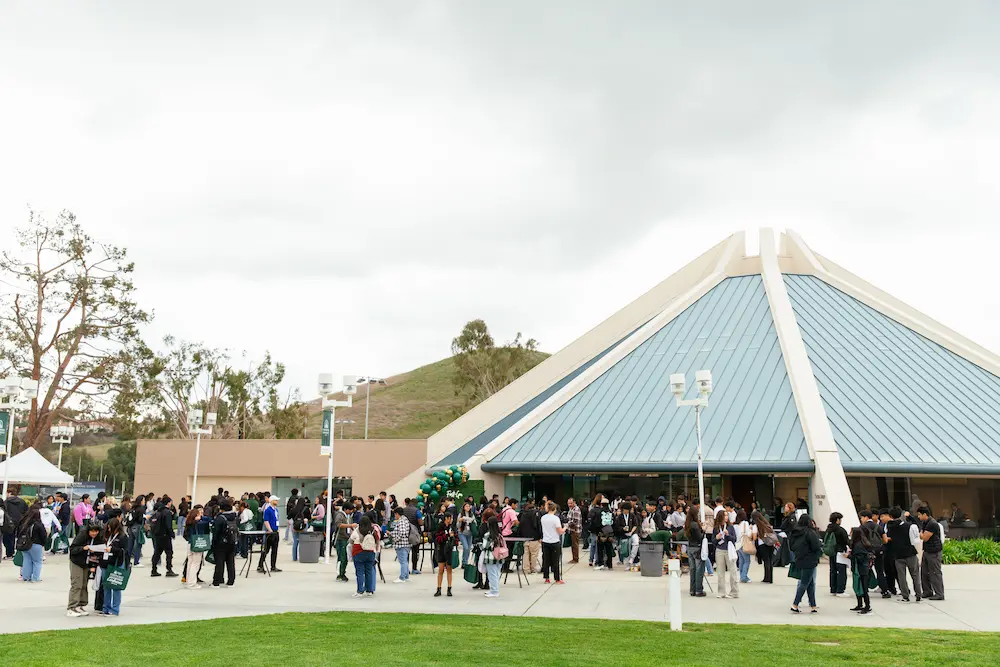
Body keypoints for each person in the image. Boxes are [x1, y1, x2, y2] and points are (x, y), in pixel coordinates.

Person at [66, 521, 104, 617]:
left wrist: (93, 566)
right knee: (76, 584)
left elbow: (99, 553)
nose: (94, 533)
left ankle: (80, 605)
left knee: (84, 584)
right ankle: (71, 607)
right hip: (77, 562)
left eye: (96, 531)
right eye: (92, 531)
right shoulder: (82, 535)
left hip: (88, 564)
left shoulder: (98, 538)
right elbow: (73, 549)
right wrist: (84, 548)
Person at [885, 506, 922, 603]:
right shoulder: (908, 526)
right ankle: (918, 595)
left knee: (901, 576)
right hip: (910, 553)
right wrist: (909, 517)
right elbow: (917, 527)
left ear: (890, 516)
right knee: (915, 575)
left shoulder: (890, 527)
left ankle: (905, 596)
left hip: (898, 554)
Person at [789, 513, 822, 614]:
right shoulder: (810, 532)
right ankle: (795, 604)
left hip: (799, 559)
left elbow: (791, 546)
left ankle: (813, 605)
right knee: (804, 583)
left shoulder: (794, 532)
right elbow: (816, 546)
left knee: (809, 583)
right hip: (810, 559)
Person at [100, 518, 128, 616]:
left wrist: (112, 549)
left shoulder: (123, 537)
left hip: (117, 563)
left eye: (110, 527)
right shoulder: (108, 535)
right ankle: (106, 608)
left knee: (115, 586)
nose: (108, 529)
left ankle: (115, 609)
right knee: (106, 586)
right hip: (105, 563)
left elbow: (124, 551)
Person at [917, 506, 945, 600]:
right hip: (927, 550)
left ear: (925, 514)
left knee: (934, 573)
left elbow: (924, 537)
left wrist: (921, 534)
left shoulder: (932, 523)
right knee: (924, 572)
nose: (918, 517)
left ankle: (939, 593)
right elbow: (922, 534)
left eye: (919, 515)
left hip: (934, 552)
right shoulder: (925, 523)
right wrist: (922, 533)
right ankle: (927, 591)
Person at [349, 515, 379, 598]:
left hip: (358, 553)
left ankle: (360, 591)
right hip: (370, 553)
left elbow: (350, 541)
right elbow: (377, 541)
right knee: (369, 571)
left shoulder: (357, 531)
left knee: (360, 572)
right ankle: (369, 590)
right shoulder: (373, 530)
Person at [211, 500, 239, 587]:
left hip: (221, 543)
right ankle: (231, 581)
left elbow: (216, 532)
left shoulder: (220, 518)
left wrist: (213, 543)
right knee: (230, 563)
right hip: (232, 542)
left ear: (222, 509)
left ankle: (217, 582)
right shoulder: (235, 517)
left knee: (220, 562)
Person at [150, 497, 178, 578]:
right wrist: (172, 534)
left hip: (157, 535)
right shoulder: (167, 512)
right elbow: (168, 525)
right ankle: (169, 569)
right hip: (165, 535)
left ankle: (154, 569)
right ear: (168, 503)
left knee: (157, 553)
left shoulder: (158, 511)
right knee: (169, 553)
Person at [16, 507, 46, 582]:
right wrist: (43, 543)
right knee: (37, 561)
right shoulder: (39, 524)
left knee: (26, 560)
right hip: (36, 544)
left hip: (25, 545)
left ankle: (26, 577)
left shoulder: (25, 524)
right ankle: (35, 578)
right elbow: (43, 536)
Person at [182, 506, 209, 588]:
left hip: (190, 543)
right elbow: (209, 520)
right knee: (195, 564)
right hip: (197, 543)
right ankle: (192, 583)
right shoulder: (199, 524)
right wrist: (201, 517)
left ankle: (188, 581)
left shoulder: (189, 522)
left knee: (190, 563)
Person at [713, 511, 738, 598]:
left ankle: (734, 592)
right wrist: (716, 538)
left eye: (727, 515)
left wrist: (727, 535)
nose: (726, 517)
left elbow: (734, 539)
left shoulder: (731, 527)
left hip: (729, 550)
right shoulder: (716, 528)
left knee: (733, 571)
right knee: (720, 572)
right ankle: (721, 592)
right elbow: (713, 541)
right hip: (719, 550)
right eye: (725, 515)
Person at [849, 527, 873, 615]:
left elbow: (860, 557)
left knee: (863, 588)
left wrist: (849, 556)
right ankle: (860, 604)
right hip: (861, 568)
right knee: (859, 587)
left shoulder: (858, 545)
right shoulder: (860, 543)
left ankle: (867, 606)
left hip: (861, 569)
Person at [540, 501, 566, 585]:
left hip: (545, 541)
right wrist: (565, 527)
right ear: (554, 509)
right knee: (555, 561)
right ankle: (557, 578)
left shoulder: (543, 518)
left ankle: (546, 578)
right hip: (554, 541)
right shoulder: (555, 519)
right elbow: (560, 531)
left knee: (546, 560)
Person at [433, 512, 458, 597]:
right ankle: (439, 588)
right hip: (441, 550)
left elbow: (456, 539)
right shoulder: (440, 527)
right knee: (441, 570)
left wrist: (453, 538)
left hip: (450, 550)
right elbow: (437, 539)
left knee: (449, 569)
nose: (451, 520)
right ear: (446, 519)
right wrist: (446, 535)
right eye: (449, 518)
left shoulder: (453, 527)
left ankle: (449, 588)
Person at [825, 512, 849, 596]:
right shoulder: (840, 530)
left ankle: (833, 589)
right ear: (838, 520)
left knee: (833, 570)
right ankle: (840, 590)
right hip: (840, 552)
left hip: (831, 552)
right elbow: (846, 541)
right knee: (841, 571)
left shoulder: (828, 529)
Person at [481, 516, 505, 598]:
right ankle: (494, 589)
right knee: (496, 574)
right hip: (500, 556)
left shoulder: (488, 535)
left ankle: (494, 591)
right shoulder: (499, 534)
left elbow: (484, 546)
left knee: (492, 574)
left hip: (490, 557)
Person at [686, 507, 706, 597]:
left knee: (692, 569)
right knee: (699, 569)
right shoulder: (695, 524)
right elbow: (700, 537)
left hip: (690, 547)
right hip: (697, 548)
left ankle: (692, 589)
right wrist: (703, 530)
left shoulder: (688, 524)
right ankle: (698, 590)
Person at [752, 511, 777, 584]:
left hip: (762, 544)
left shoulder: (756, 526)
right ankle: (770, 578)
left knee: (766, 561)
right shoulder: (767, 524)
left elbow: (754, 537)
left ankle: (767, 578)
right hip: (770, 544)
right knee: (770, 560)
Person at [258, 496, 282, 573]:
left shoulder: (276, 510)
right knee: (266, 549)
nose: (277, 501)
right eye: (275, 500)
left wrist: (277, 528)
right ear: (272, 501)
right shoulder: (268, 510)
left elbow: (277, 519)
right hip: (270, 532)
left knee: (275, 550)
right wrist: (270, 530)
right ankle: (260, 565)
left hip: (276, 531)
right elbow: (266, 521)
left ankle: (273, 566)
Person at [615, 500, 640, 571]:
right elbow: (617, 527)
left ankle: (632, 558)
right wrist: (623, 529)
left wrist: (632, 531)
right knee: (626, 549)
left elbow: (635, 525)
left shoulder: (632, 515)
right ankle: (628, 564)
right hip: (624, 534)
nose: (626, 511)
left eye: (627, 510)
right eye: (625, 510)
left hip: (632, 533)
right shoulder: (619, 517)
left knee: (636, 543)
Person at [518, 500, 542, 574]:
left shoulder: (523, 515)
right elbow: (539, 526)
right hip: (534, 538)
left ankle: (526, 569)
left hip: (525, 538)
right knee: (534, 554)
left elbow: (520, 526)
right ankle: (533, 568)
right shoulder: (536, 514)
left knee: (526, 554)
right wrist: (541, 536)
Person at [390, 506, 412, 583]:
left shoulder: (401, 521)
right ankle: (405, 576)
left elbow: (402, 532)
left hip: (401, 544)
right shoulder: (405, 520)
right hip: (405, 544)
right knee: (404, 561)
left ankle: (402, 577)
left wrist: (395, 539)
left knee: (403, 561)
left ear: (397, 514)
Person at [333, 500, 353, 582]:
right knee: (342, 557)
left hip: (346, 538)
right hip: (341, 539)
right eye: (350, 510)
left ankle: (342, 573)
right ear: (345, 509)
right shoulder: (340, 515)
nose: (351, 511)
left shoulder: (348, 516)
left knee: (345, 557)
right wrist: (350, 525)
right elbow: (338, 524)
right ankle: (340, 574)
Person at [735, 509, 756, 584]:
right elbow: (748, 533)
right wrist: (750, 528)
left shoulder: (736, 525)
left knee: (741, 561)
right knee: (747, 561)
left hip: (738, 545)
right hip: (744, 544)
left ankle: (742, 576)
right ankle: (744, 577)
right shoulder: (745, 523)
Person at [594, 497, 615, 570]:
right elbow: (613, 522)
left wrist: (597, 533)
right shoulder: (611, 513)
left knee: (600, 549)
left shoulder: (599, 512)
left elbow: (597, 523)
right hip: (609, 533)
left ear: (601, 504)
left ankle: (601, 563)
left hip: (601, 533)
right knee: (609, 549)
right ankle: (609, 564)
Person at [457, 502, 477, 567]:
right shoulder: (461, 514)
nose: (467, 508)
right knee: (465, 547)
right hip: (462, 532)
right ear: (463, 507)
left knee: (468, 548)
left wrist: (472, 521)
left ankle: (465, 562)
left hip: (469, 533)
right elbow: (457, 525)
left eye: (468, 506)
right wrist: (461, 520)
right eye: (466, 506)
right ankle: (464, 562)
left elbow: (475, 523)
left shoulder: (471, 514)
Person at [565, 498, 582, 563]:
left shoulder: (576, 510)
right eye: (568, 503)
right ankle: (574, 558)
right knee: (573, 545)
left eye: (571, 503)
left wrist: (566, 524)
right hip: (571, 530)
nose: (569, 505)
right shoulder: (571, 509)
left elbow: (574, 522)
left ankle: (575, 559)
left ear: (574, 502)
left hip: (575, 530)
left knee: (575, 545)